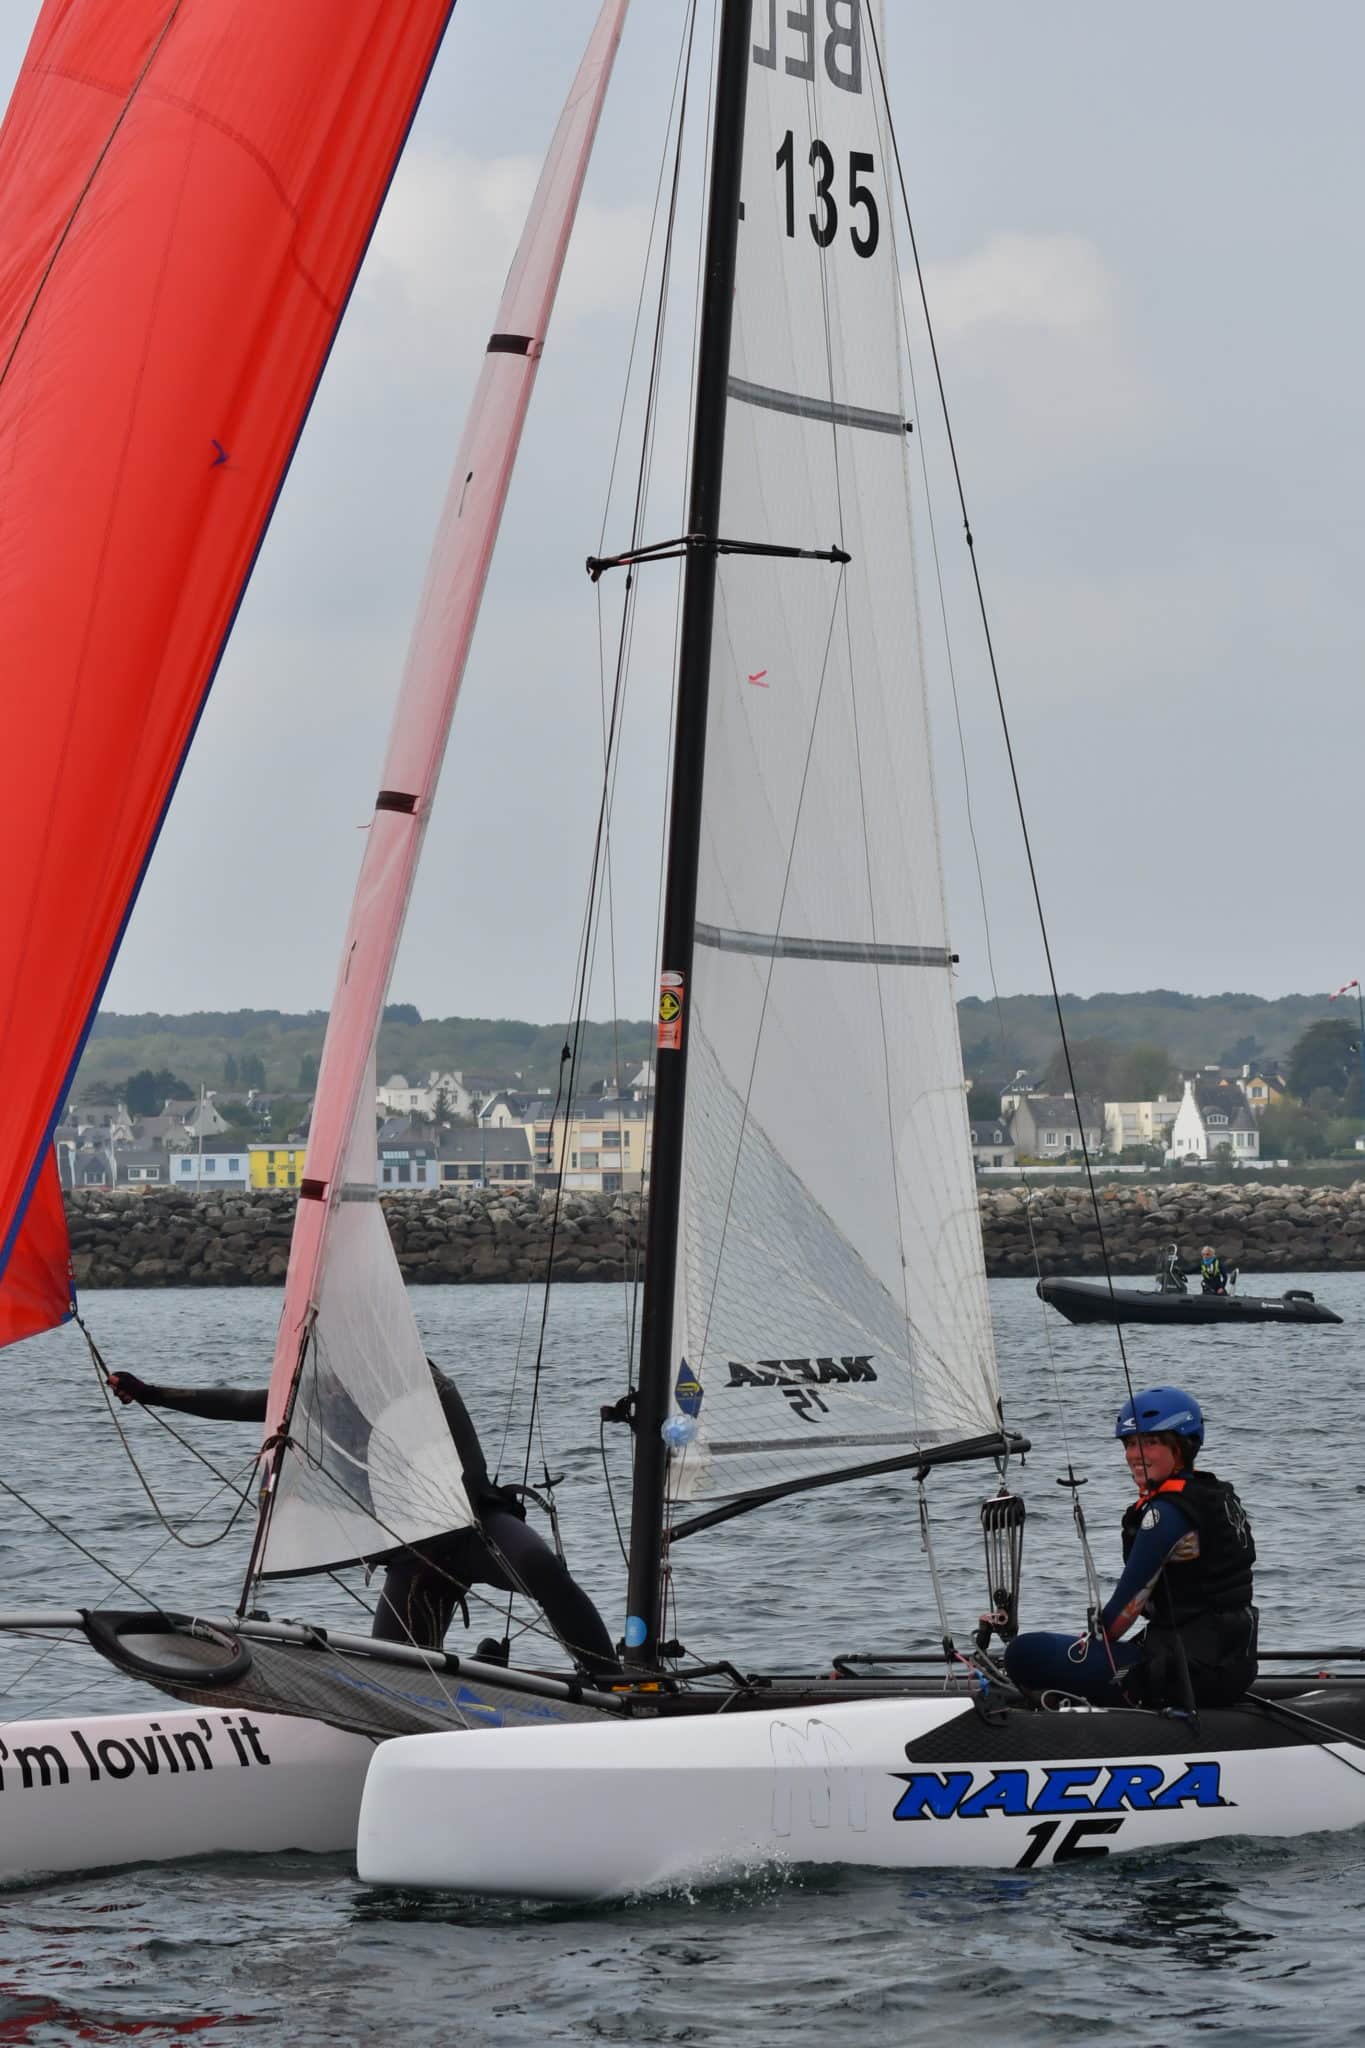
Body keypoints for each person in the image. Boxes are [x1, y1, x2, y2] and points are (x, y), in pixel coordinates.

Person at [108, 1359, 619, 1680]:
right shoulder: (317, 1397)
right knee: (396, 1673)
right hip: (414, 1554)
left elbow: (470, 1467)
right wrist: (151, 1393)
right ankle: (480, 1677)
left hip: (472, 1527)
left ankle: (613, 1680)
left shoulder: (415, 1379)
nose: (333, 1386)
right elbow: (244, 1403)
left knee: (540, 1566)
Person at [1003, 1385, 1257, 1709]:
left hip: (1185, 1676)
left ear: (1182, 1446)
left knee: (1024, 1653)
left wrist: (1088, 1646)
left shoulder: (1166, 1514)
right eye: (1129, 1444)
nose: (1135, 1455)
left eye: (1150, 1442)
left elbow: (1118, 1621)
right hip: (1231, 1666)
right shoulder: (1214, 1496)